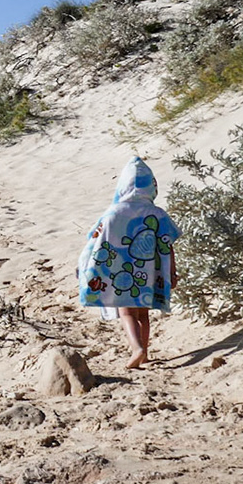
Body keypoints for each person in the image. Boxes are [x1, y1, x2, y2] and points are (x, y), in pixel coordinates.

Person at [77, 156, 181, 369]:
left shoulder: (112, 213)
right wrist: (171, 273)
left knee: (126, 312)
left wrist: (85, 266)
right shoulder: (158, 214)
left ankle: (137, 348)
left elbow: (94, 241)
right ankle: (145, 353)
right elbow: (167, 245)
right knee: (143, 313)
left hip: (120, 272)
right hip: (148, 273)